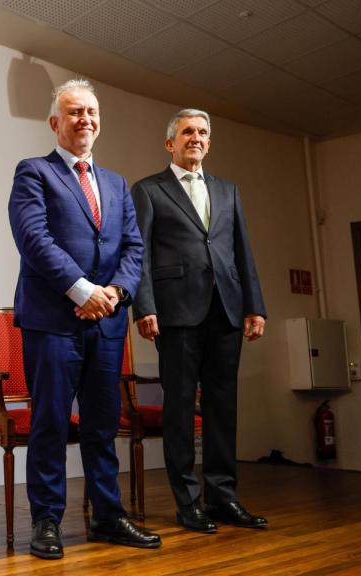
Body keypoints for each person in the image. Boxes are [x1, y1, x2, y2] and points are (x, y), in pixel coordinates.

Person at [9, 79, 159, 560]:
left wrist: (115, 293)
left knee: (100, 425)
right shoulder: (33, 172)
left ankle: (109, 517)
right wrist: (82, 290)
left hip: (106, 323)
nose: (85, 120)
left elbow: (134, 248)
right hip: (53, 320)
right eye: (74, 112)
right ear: (55, 123)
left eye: (91, 111)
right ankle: (47, 521)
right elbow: (34, 239)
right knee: (51, 422)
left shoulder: (116, 184)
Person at [131, 109, 267, 533]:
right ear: (170, 143)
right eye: (188, 132)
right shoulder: (149, 190)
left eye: (203, 133)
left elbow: (241, 249)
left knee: (223, 408)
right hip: (176, 312)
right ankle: (188, 502)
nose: (196, 138)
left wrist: (255, 305)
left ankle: (223, 497)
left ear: (209, 143)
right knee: (179, 410)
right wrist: (145, 306)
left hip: (226, 309)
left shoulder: (228, 191)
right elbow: (141, 253)